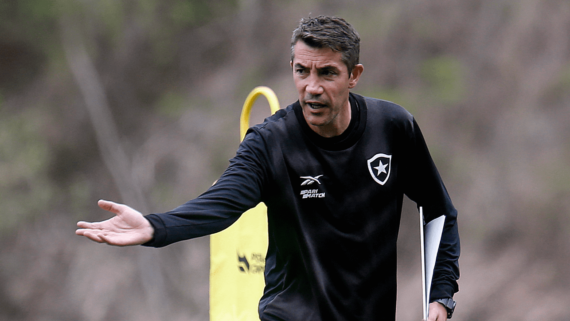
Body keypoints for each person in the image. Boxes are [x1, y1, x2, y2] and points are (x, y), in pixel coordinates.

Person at [76, 15, 460, 321]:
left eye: (327, 73)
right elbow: (221, 204)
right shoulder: (270, 141)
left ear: (354, 76)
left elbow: (438, 209)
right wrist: (154, 226)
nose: (312, 87)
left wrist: (440, 295)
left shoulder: (393, 127)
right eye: (301, 71)